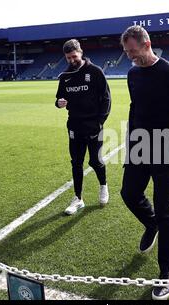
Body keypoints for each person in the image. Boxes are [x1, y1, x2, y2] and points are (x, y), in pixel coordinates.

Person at [120, 25, 169, 300]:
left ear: (146, 44)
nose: (130, 57)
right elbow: (134, 109)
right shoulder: (132, 73)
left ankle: (168, 273)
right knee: (129, 193)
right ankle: (150, 224)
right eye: (126, 52)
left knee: (166, 210)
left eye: (133, 51)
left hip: (165, 147)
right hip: (138, 146)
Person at [55, 39, 111, 215]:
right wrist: (59, 102)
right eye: (68, 58)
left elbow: (107, 99)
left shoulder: (95, 72)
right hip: (74, 125)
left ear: (80, 52)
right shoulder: (65, 77)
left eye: (74, 56)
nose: (71, 60)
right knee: (76, 163)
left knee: (95, 160)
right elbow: (58, 98)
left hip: (94, 125)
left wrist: (100, 122)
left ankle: (103, 187)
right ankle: (78, 199)